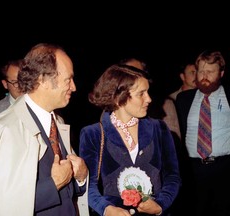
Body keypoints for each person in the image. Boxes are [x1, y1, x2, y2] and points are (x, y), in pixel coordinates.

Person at [0, 43, 89, 216]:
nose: (74, 87)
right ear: (43, 81)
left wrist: (81, 178)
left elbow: (68, 192)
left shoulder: (58, 122)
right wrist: (53, 184)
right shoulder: (2, 130)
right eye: (68, 80)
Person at [79, 64, 181, 216]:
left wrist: (160, 205)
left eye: (148, 92)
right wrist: (106, 209)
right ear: (119, 98)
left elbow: (173, 177)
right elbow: (88, 185)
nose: (149, 99)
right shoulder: (92, 134)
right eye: (141, 94)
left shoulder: (159, 128)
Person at [175, 50, 230, 216]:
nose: (204, 76)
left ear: (221, 73)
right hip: (192, 170)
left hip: (225, 170)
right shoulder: (183, 99)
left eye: (210, 71)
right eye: (201, 71)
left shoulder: (229, 96)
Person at [162, 62, 197, 140]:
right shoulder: (171, 100)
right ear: (182, 76)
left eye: (198, 72)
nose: (196, 76)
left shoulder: (206, 98)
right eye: (192, 72)